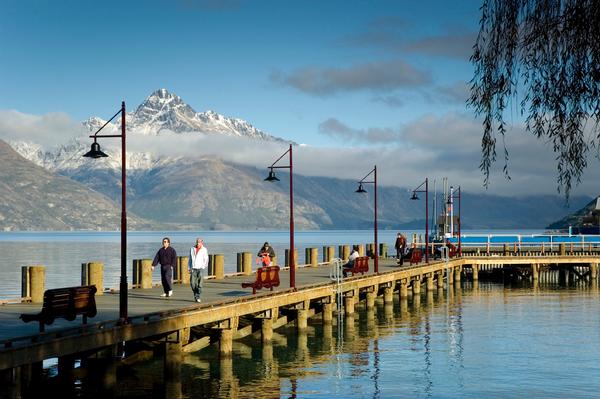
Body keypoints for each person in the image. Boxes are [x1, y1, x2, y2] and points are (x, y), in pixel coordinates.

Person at [188, 238, 208, 303]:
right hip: (193, 268)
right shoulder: (192, 249)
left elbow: (206, 259)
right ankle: (196, 294)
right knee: (192, 283)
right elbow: (190, 259)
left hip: (200, 269)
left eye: (199, 242)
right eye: (197, 242)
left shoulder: (204, 249)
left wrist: (203, 266)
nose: (198, 243)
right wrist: (189, 267)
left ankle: (197, 296)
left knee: (200, 284)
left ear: (202, 243)